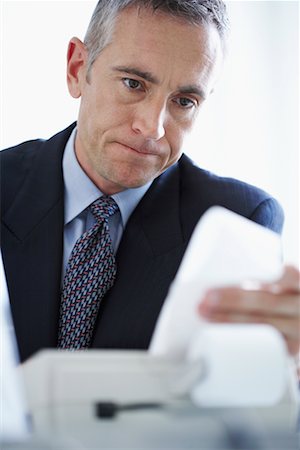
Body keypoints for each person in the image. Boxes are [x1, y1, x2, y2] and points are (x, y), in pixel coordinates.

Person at [1, 0, 299, 367]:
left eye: (184, 101)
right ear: (78, 68)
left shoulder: (239, 221)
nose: (153, 127)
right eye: (133, 84)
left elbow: (246, 407)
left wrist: (286, 371)